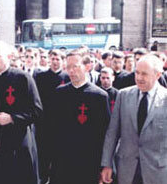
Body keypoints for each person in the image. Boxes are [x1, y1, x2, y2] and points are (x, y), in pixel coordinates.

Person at [0, 41, 42, 184]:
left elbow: (36, 111)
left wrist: (12, 118)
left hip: (17, 143)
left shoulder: (23, 78)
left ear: (9, 56)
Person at [100, 54, 167, 184]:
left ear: (158, 75)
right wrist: (106, 164)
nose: (139, 78)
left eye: (144, 74)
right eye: (137, 73)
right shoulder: (124, 95)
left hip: (158, 172)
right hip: (127, 169)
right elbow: (112, 132)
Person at [50, 50, 110, 184]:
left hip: (89, 161)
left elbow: (104, 133)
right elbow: (52, 128)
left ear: (87, 66)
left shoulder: (99, 96)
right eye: (68, 67)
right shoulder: (60, 93)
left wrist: (104, 165)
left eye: (75, 66)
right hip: (62, 161)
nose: (71, 71)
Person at [34, 49, 70, 184]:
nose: (55, 62)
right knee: (43, 157)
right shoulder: (41, 77)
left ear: (63, 60)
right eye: (53, 59)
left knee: (58, 159)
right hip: (45, 123)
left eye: (58, 59)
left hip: (62, 124)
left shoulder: (67, 77)